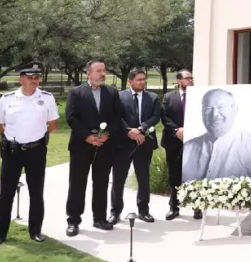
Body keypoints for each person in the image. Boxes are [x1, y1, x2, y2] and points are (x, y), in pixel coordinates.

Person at [0, 62, 58, 247]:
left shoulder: (47, 98)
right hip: (12, 152)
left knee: (36, 192)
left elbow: (52, 125)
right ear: (21, 79)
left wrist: (34, 138)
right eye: (29, 77)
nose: (34, 80)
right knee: (6, 194)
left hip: (36, 151)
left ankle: (35, 231)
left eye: (36, 77)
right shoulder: (7, 99)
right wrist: (10, 139)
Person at [64, 59, 122, 237]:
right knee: (77, 184)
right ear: (88, 73)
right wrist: (88, 136)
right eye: (98, 71)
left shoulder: (112, 92)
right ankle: (73, 221)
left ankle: (99, 218)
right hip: (81, 146)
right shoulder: (76, 92)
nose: (102, 74)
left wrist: (107, 134)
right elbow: (71, 117)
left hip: (104, 146)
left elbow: (117, 117)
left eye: (104, 70)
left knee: (102, 183)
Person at [109, 68, 161, 225]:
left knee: (143, 179)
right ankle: (115, 212)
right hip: (122, 145)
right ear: (130, 81)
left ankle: (143, 211)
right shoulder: (119, 96)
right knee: (118, 180)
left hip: (144, 144)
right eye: (139, 79)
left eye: (144, 79)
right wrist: (129, 131)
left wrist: (140, 129)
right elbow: (116, 116)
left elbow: (156, 116)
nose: (142, 82)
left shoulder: (152, 97)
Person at [183, 88, 251, 180]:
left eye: (220, 107)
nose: (214, 114)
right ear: (202, 113)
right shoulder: (188, 148)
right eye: (208, 108)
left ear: (234, 110)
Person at [161, 69, 201, 220]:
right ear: (178, 80)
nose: (190, 80)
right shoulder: (168, 97)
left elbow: (202, 117)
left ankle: (197, 206)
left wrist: (187, 130)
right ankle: (174, 207)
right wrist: (177, 130)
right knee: (174, 175)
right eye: (187, 78)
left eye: (192, 78)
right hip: (173, 141)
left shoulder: (198, 96)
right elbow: (164, 116)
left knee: (194, 175)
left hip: (194, 141)